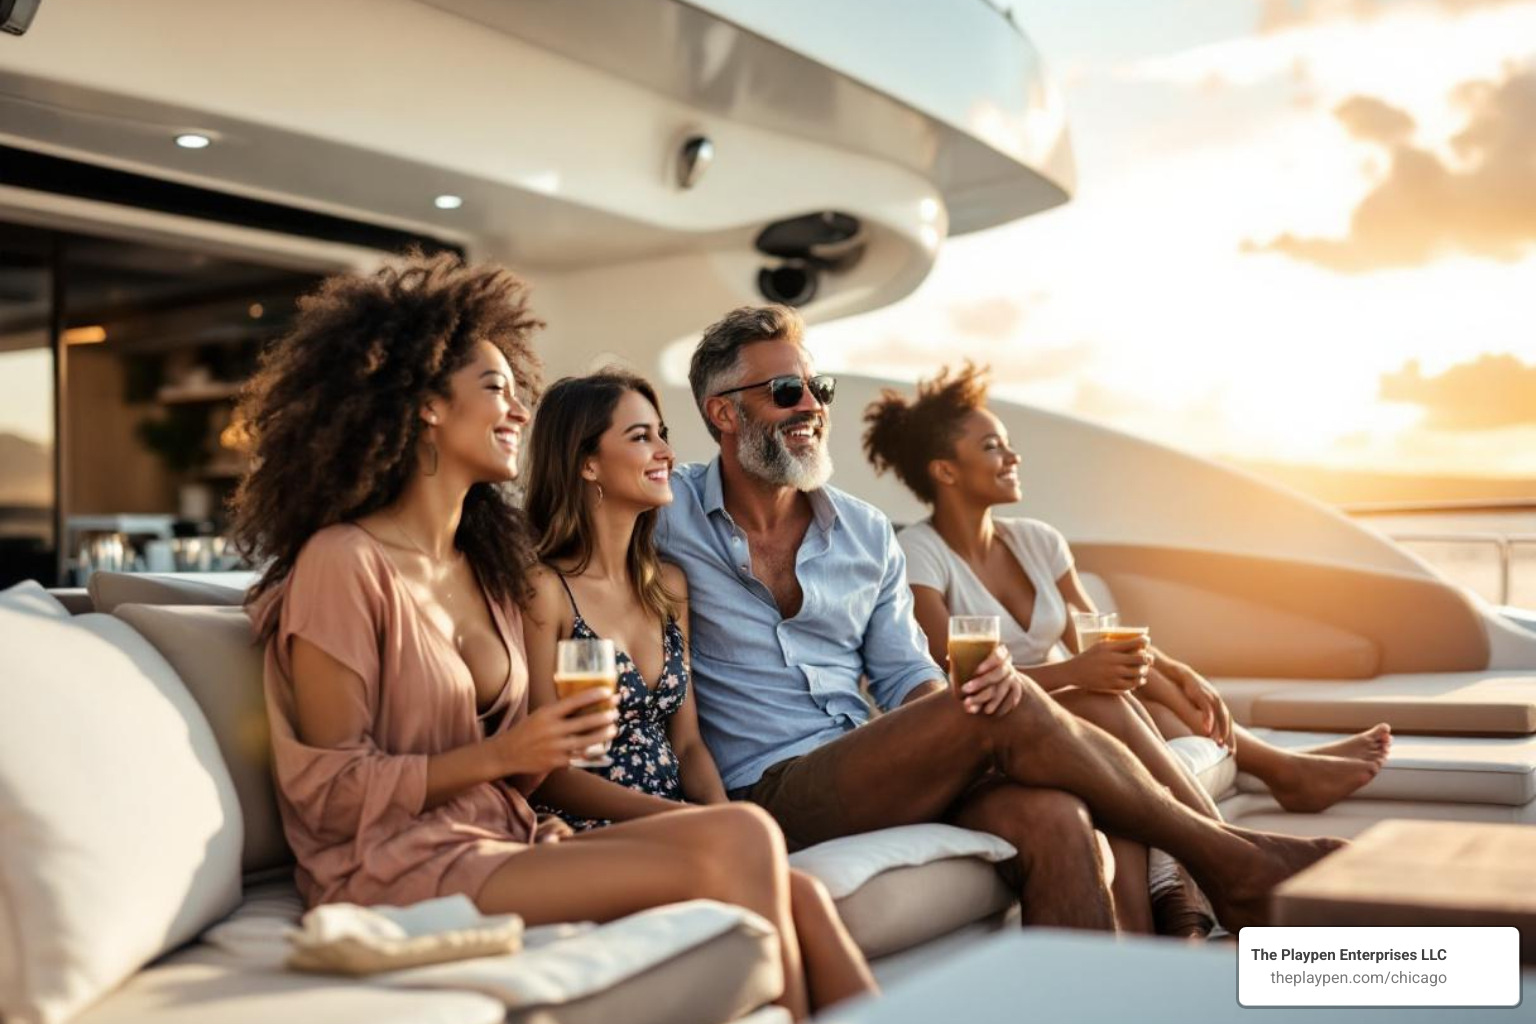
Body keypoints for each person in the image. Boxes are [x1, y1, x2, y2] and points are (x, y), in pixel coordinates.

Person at [231, 254, 837, 1021]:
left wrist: (524, 786)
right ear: (423, 405)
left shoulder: (484, 568)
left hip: (506, 839)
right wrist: (509, 756)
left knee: (783, 869)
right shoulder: (343, 565)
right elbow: (330, 794)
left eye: (520, 393)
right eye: (496, 390)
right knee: (747, 843)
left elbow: (522, 769)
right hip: (391, 867)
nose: (519, 410)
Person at [655, 303, 1346, 935]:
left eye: (818, 388)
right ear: (723, 413)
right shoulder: (661, 514)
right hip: (767, 786)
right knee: (1003, 705)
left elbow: (906, 679)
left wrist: (950, 719)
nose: (810, 405)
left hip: (870, 759)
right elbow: (564, 520)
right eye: (786, 392)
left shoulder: (865, 533)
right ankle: (1232, 861)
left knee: (1056, 817)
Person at [860, 363, 1391, 822]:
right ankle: (1278, 776)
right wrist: (1073, 674)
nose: (1013, 457)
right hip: (1003, 721)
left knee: (1158, 703)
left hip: (1068, 699)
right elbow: (955, 688)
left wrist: (1177, 670)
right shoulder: (918, 555)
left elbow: (1100, 636)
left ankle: (1277, 776)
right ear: (946, 470)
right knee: (1116, 697)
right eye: (992, 446)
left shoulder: (1038, 541)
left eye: (1008, 444)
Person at [520, 370, 876, 1010]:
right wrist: (698, 824)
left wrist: (719, 820)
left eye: (662, 434)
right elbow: (545, 771)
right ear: (587, 466)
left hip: (679, 823)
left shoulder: (668, 589)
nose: (665, 452)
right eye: (640, 437)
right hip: (590, 827)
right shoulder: (544, 590)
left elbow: (688, 746)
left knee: (804, 893)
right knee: (784, 882)